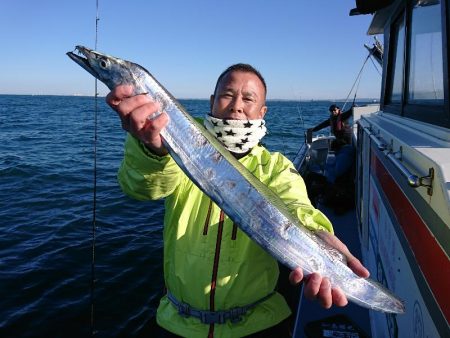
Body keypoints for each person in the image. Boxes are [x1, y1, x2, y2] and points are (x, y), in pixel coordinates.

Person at [106, 64, 369, 337]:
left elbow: (297, 206)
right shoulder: (179, 145)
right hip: (176, 322)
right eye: (227, 95)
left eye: (248, 98)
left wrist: (318, 234)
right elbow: (140, 189)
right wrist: (152, 150)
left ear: (263, 111)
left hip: (259, 324)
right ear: (212, 101)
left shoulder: (275, 166)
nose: (236, 106)